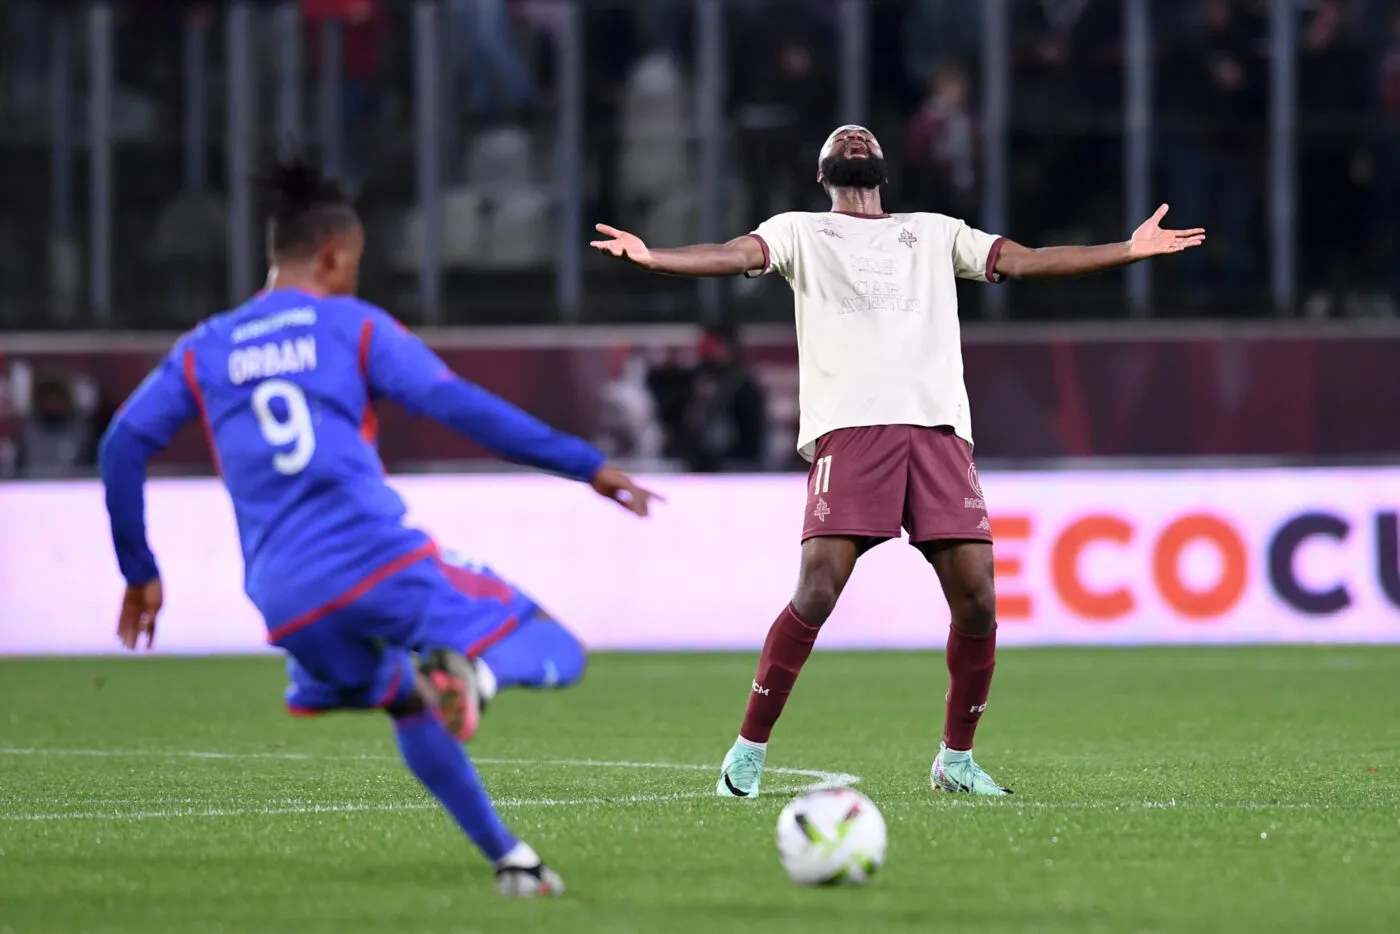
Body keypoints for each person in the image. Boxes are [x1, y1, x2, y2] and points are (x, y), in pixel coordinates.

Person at [99, 154, 658, 896]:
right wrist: (581, 463)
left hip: (283, 597)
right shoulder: (352, 326)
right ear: (333, 256)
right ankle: (479, 678)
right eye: (355, 264)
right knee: (556, 646)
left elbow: (121, 446)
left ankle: (512, 860)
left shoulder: (207, 346)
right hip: (373, 560)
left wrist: (139, 570)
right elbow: (456, 405)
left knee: (403, 696)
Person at [590, 125, 1203, 798]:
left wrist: (1128, 250)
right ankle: (748, 749)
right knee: (818, 587)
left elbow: (1024, 261)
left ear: (883, 167)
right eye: (841, 136)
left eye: (864, 134)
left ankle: (957, 761)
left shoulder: (936, 232)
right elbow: (735, 253)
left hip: (938, 431)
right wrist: (656, 258)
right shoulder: (800, 232)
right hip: (851, 431)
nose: (854, 136)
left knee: (978, 600)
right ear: (823, 172)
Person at [430, 548, 587, 707]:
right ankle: (478, 677)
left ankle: (477, 677)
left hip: (487, 625)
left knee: (566, 651)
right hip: (488, 626)